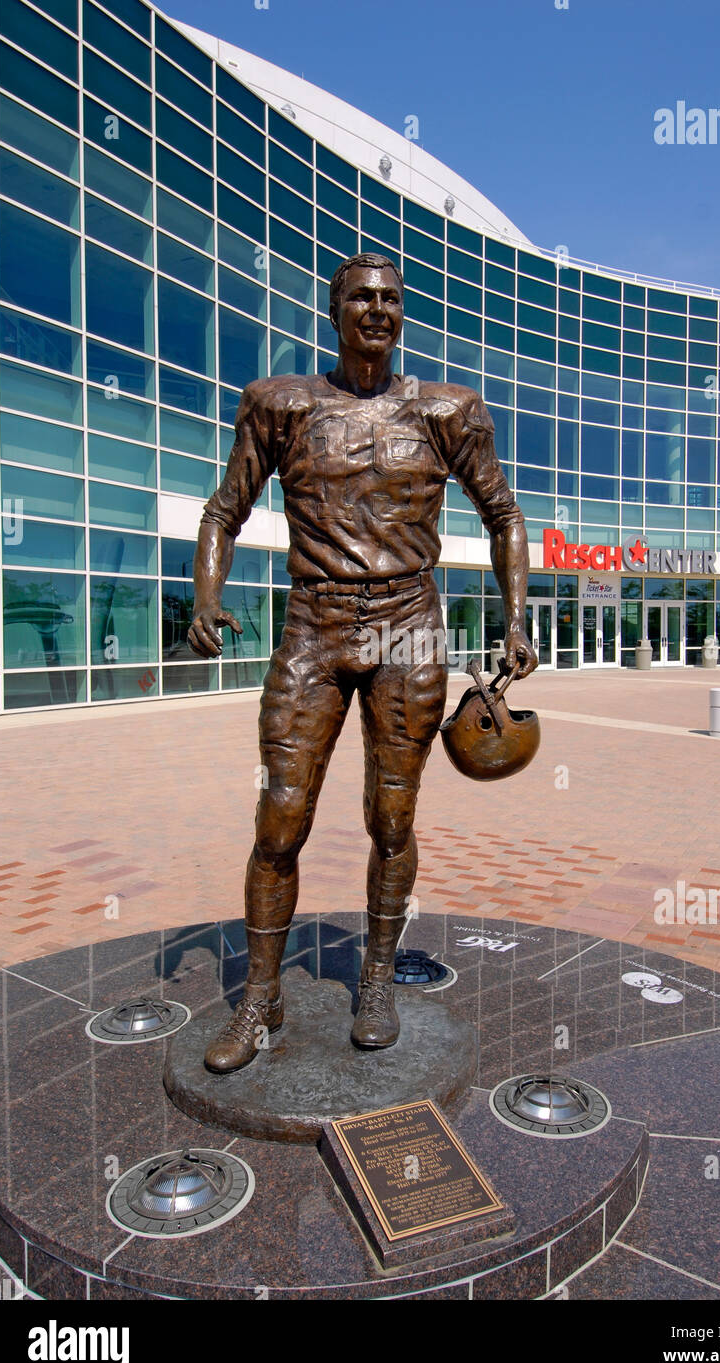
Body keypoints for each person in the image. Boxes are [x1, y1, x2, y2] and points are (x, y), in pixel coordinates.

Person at [187, 252, 536, 1072]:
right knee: (281, 814)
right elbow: (222, 511)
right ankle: (261, 996)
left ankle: (375, 977)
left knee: (393, 817)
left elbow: (505, 515)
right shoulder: (282, 405)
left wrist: (516, 618)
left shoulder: (451, 409)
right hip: (314, 623)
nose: (377, 310)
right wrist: (206, 598)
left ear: (401, 314)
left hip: (407, 627)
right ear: (335, 310)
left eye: (390, 299)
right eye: (361, 299)